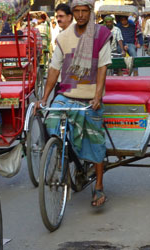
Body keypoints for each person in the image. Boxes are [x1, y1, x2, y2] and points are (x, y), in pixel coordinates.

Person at [36, 0, 111, 207]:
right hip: (67, 95)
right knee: (51, 121)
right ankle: (65, 154)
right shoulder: (63, 37)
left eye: (84, 11)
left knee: (96, 142)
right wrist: (44, 98)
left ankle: (98, 187)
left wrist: (97, 96)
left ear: (90, 12)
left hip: (89, 96)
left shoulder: (101, 34)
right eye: (76, 11)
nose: (80, 15)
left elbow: (103, 67)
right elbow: (54, 69)